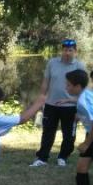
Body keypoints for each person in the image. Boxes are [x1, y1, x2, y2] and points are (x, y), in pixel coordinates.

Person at [31, 39, 85, 167]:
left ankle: (63, 157)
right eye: (65, 50)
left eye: (70, 50)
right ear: (62, 50)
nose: (67, 53)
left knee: (69, 134)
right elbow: (45, 82)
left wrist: (80, 108)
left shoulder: (79, 66)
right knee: (48, 132)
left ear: (75, 51)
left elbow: (82, 89)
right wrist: (41, 98)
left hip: (70, 106)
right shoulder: (52, 63)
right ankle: (42, 158)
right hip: (51, 104)